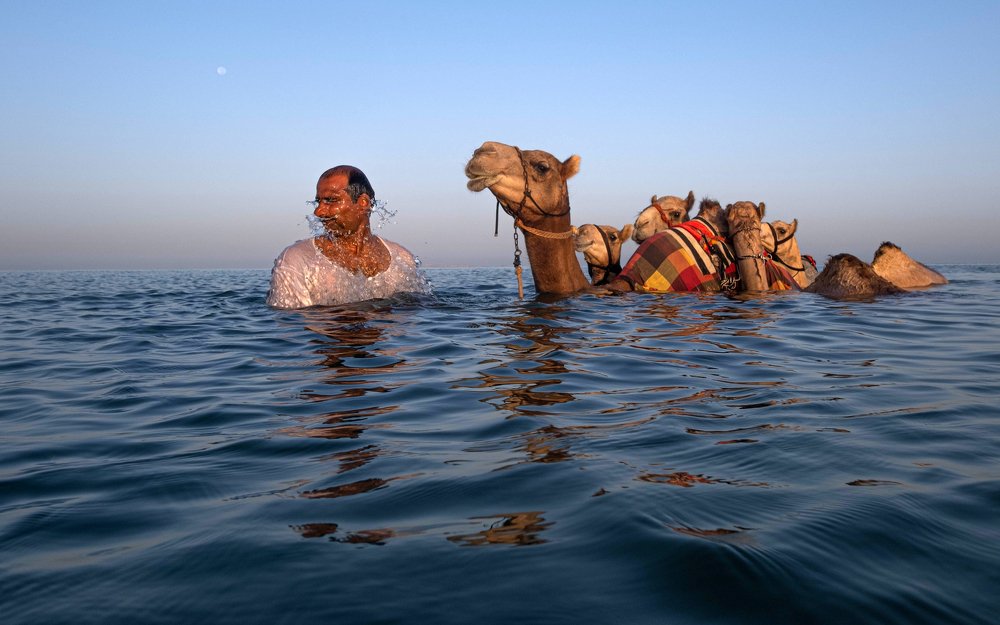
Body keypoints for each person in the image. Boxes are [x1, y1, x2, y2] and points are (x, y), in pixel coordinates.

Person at [266, 165, 429, 309]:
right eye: (319, 202)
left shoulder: (402, 259)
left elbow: (411, 318)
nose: (318, 212)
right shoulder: (296, 260)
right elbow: (291, 328)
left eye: (330, 200)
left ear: (363, 203)